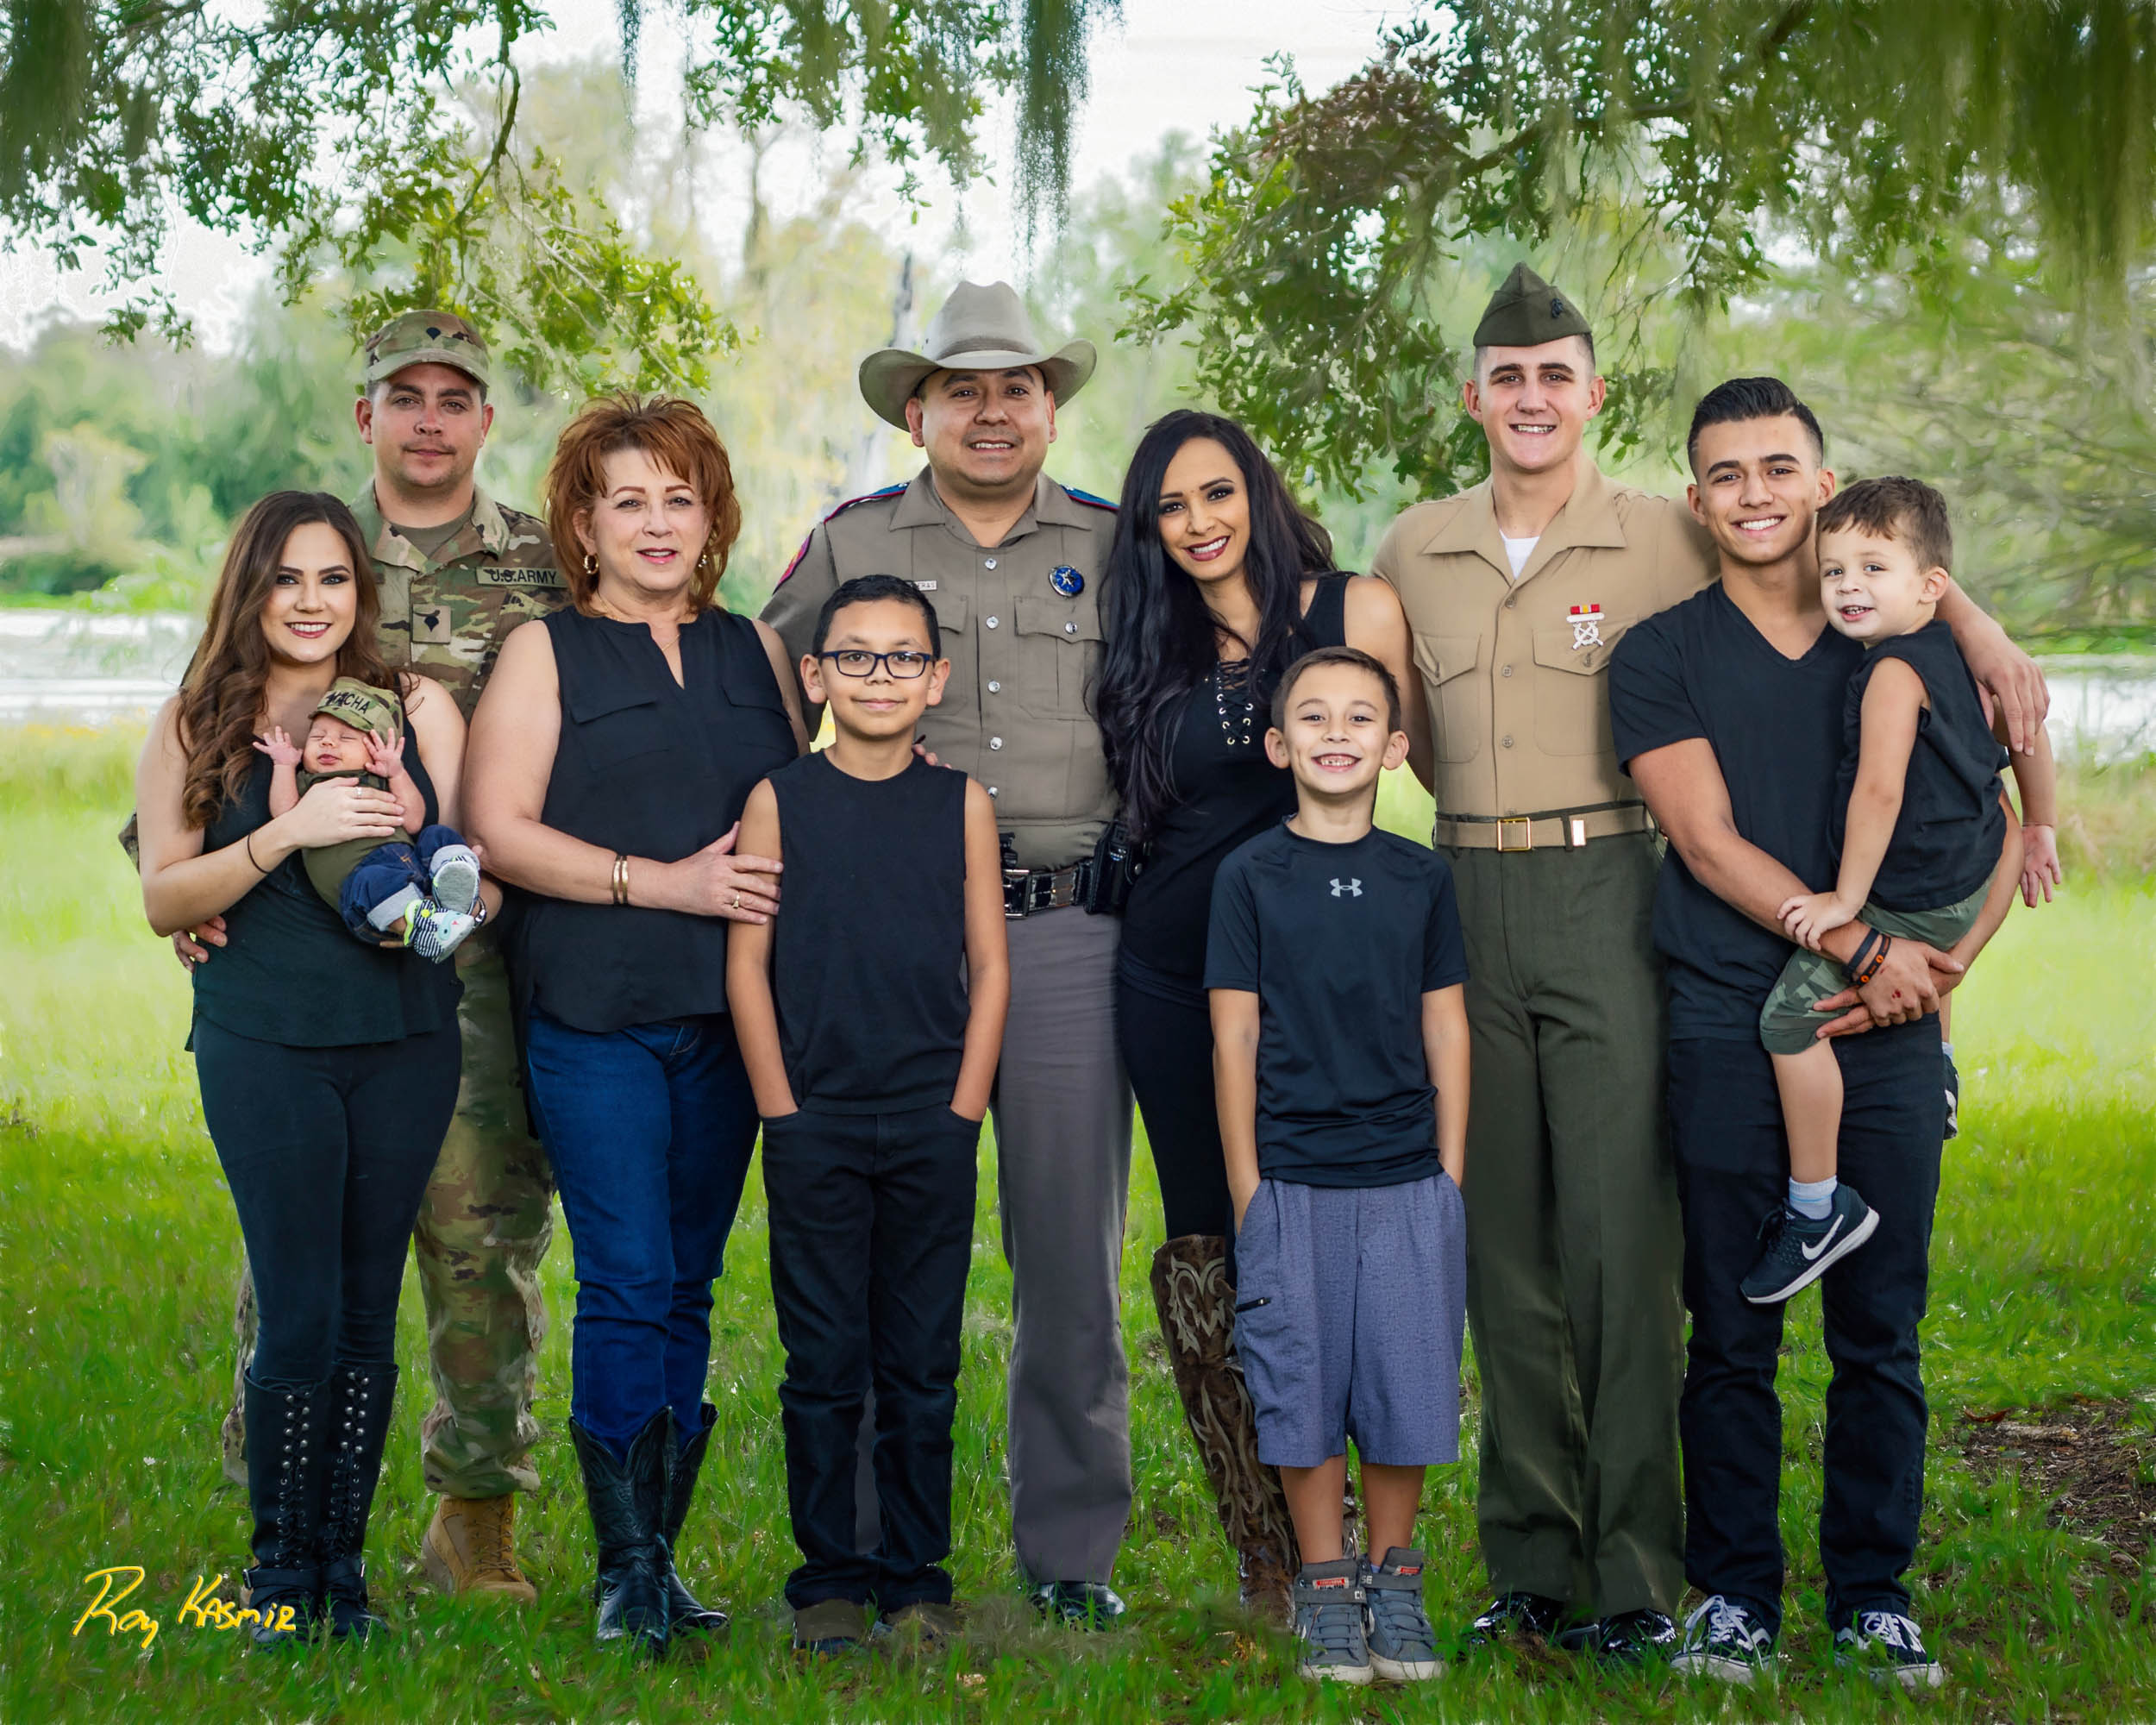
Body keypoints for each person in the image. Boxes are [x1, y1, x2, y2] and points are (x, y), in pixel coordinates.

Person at [1370, 266, 2048, 1662]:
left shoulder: (1775, 582)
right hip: (1548, 916)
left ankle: (1758, 1584)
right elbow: (1372, 698)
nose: (1534, 396)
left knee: (1750, 1282)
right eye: (1508, 375)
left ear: (1594, 392)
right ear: (1475, 395)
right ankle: (1613, 1571)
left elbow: (1882, 598)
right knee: (1591, 1277)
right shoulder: (1457, 559)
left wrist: (1973, 621)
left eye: (1559, 372)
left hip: (1744, 937)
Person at [1612, 377, 2026, 1690]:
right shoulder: (1662, 654)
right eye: (1727, 473)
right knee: (1733, 1325)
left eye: (1781, 468)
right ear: (1697, 498)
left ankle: (1872, 1594)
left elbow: (1999, 811)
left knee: (1878, 1326)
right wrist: (1856, 946)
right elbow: (1707, 839)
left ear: (1825, 480)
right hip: (1738, 1017)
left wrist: (1940, 965)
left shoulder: (1901, 637)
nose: (1755, 494)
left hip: (1897, 1023)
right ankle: (1734, 1593)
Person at [177, 311, 570, 1603]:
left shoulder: (545, 570)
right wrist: (179, 885)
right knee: (296, 1248)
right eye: (406, 395)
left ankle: (473, 1524)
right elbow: (207, 726)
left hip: (475, 971)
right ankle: (282, 1520)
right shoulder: (307, 550)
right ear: (367, 415)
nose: (430, 418)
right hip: (294, 972)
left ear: (484, 420)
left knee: (482, 1240)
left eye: (457, 397)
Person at [761, 280, 1134, 1626]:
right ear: (918, 409)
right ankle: (863, 1558)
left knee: (1068, 1267)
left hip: (1061, 932)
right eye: (964, 389)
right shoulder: (857, 540)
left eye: (1018, 386)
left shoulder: (1116, 543)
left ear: (1051, 405)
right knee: (862, 1263)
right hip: (872, 944)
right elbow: (761, 689)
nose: (992, 411)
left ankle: (1071, 1556)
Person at [466, 391, 806, 1656]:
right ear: (584, 522)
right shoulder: (545, 655)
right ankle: (623, 1577)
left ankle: (662, 1561)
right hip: (595, 1017)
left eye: (681, 496)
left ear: (712, 514)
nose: (658, 522)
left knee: (691, 1288)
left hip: (729, 1024)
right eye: (629, 499)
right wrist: (664, 883)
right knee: (627, 1278)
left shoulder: (760, 656)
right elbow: (498, 828)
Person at [1092, 409, 1417, 1618]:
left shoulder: (1355, 612)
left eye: (1216, 493)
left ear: (1259, 489)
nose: (1198, 524)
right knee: (1211, 1260)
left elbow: (1423, 757)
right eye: (1169, 508)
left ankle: (1358, 1542)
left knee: (1333, 1254)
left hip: (1324, 986)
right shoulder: (1144, 637)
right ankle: (1271, 1556)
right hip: (1171, 985)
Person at [135, 490, 474, 1643]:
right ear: (253, 589)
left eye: (333, 578)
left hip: (407, 1044)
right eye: (288, 578)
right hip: (267, 1045)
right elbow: (164, 896)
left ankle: (344, 1572)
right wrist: (284, 831)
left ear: (359, 590)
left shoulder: (414, 702)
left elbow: (447, 850)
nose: (313, 601)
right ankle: (279, 1574)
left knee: (370, 1313)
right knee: (297, 1309)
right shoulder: (198, 716)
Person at [727, 575, 1012, 1657]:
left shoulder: (961, 802)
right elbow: (747, 965)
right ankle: (829, 1581)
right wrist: (781, 1110)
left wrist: (964, 1104)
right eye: (855, 656)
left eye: (902, 658)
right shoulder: (779, 799)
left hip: (932, 1118)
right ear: (816, 674)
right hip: (816, 1122)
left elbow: (989, 966)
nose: (878, 676)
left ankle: (916, 1576)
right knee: (823, 1359)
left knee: (921, 1361)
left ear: (935, 678)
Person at [1206, 646, 1470, 1685]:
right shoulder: (1250, 876)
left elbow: (1445, 1026)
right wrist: (1247, 1186)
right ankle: (1325, 1586)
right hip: (1293, 1178)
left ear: (1395, 748)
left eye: (1360, 718)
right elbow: (1232, 1038)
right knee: (1300, 1383)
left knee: (1402, 1383)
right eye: (1311, 717)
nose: (1334, 733)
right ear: (1279, 744)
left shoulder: (1421, 876)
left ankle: (1394, 1583)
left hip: (1406, 1175)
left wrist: (1448, 1172)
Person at [1745, 475, 2059, 1304]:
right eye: (1835, 571)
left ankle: (1817, 1204)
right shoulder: (1967, 654)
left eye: (1873, 569)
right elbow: (2028, 730)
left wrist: (1845, 905)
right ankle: (1942, 1066)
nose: (1849, 587)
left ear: (1931, 588)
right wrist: (2042, 828)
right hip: (1973, 865)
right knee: (1937, 948)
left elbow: (1877, 792)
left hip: (1913, 890)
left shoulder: (1889, 674)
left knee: (1787, 1023)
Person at [257, 676, 486, 958]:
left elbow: (413, 821)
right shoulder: (310, 783)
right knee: (373, 879)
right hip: (364, 894)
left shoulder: (381, 780)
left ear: (374, 749)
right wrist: (284, 765)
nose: (328, 742)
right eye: (317, 736)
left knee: (436, 835)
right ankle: (425, 926)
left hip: (415, 870)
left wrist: (397, 773)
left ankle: (456, 880)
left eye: (346, 738)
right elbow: (283, 815)